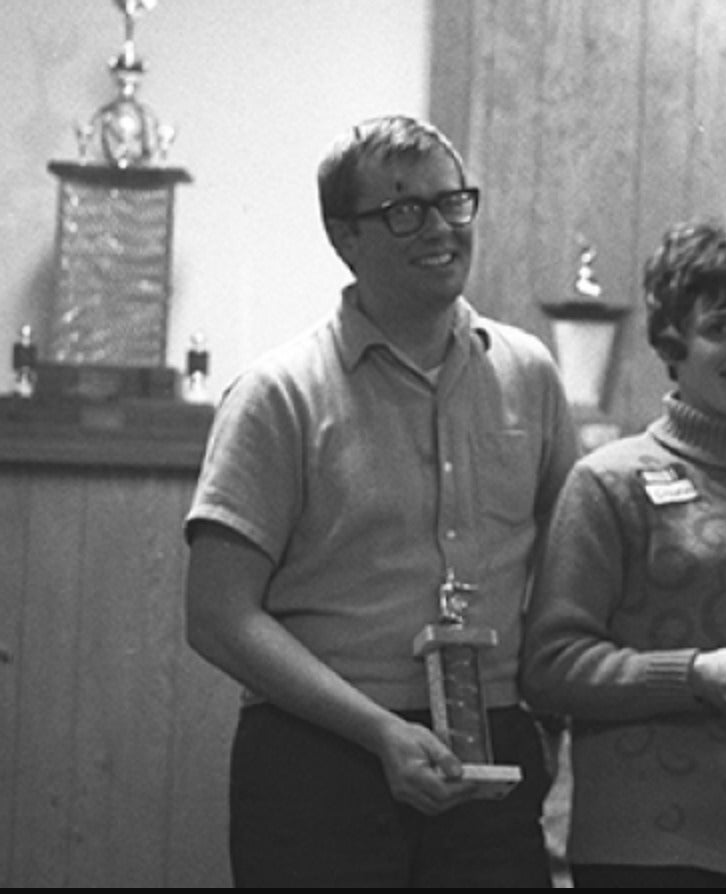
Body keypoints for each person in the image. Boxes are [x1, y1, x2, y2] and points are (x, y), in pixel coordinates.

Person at [183, 115, 577, 886]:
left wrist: (546, 720)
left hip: (488, 754)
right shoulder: (278, 394)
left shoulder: (529, 374)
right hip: (319, 752)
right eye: (404, 210)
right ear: (344, 237)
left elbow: (571, 574)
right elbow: (217, 616)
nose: (438, 227)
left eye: (452, 202)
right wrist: (378, 733)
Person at [520, 220, 726, 887]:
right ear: (672, 342)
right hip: (638, 854)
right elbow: (551, 669)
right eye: (722, 327)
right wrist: (695, 674)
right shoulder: (607, 482)